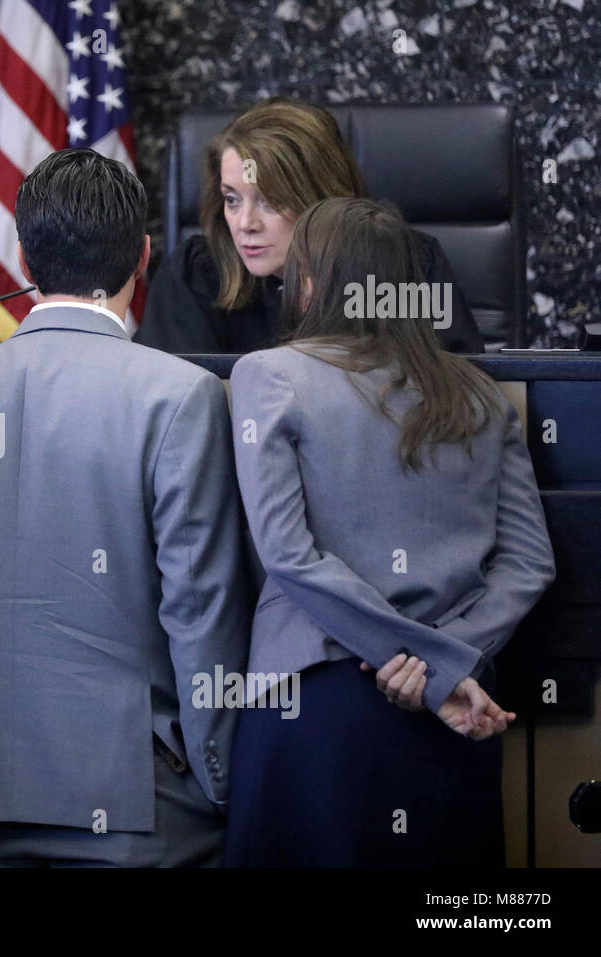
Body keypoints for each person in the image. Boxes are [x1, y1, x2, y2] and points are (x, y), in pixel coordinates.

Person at [0, 148, 251, 867]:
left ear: (21, 257)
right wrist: (220, 782)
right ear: (143, 258)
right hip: (145, 802)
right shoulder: (181, 398)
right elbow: (201, 612)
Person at [224, 197, 556, 867]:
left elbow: (288, 555)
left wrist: (407, 659)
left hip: (315, 709)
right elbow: (529, 563)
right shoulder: (480, 393)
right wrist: (440, 665)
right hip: (455, 708)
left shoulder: (270, 376)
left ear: (312, 280)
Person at [134, 97, 485, 355]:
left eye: (270, 201)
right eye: (232, 199)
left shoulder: (408, 261)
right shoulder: (196, 270)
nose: (245, 225)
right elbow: (171, 409)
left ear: (321, 196)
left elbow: (456, 392)